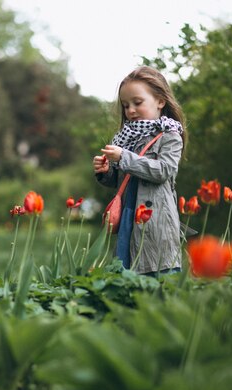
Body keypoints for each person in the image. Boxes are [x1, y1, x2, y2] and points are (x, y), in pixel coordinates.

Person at [93, 66, 186, 275]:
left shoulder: (170, 135)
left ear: (161, 101)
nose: (130, 111)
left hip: (155, 219)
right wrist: (106, 171)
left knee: (157, 270)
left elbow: (163, 170)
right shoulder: (127, 137)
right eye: (126, 105)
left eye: (137, 103)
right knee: (127, 273)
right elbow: (121, 180)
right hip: (129, 214)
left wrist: (124, 157)